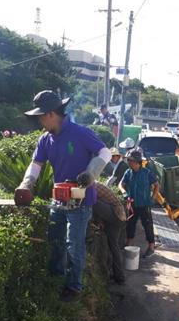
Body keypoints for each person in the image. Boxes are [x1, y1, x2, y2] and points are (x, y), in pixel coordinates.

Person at [15, 90, 112, 301]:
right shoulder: (45, 140)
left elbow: (105, 152)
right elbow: (36, 164)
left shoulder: (79, 133)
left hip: (80, 201)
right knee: (55, 239)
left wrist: (90, 173)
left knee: (74, 245)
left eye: (41, 116)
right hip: (58, 200)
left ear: (51, 114)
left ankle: (74, 287)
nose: (39, 121)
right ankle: (55, 276)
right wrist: (26, 184)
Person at [119, 150, 159, 259]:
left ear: (137, 162)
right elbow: (121, 184)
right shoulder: (128, 172)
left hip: (145, 204)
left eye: (130, 160)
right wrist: (124, 193)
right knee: (130, 224)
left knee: (148, 225)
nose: (128, 162)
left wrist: (153, 198)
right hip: (132, 203)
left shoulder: (147, 173)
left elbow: (156, 185)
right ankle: (128, 243)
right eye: (128, 160)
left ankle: (151, 247)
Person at [93, 182, 127, 284]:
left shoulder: (92, 187)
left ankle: (118, 275)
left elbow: (93, 203)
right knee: (114, 247)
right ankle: (119, 277)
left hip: (116, 215)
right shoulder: (93, 184)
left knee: (92, 201)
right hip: (118, 217)